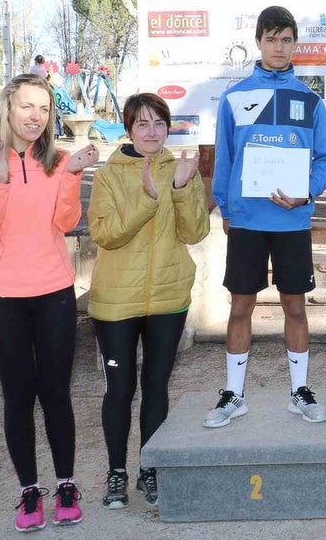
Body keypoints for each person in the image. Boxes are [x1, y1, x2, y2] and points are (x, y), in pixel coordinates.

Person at [0, 74, 99, 532]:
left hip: (54, 293)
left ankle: (66, 484)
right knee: (18, 396)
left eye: (43, 108)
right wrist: (1, 180)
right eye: (27, 106)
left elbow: (65, 221)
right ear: (8, 108)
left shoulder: (59, 160)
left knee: (56, 393)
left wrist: (73, 173)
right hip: (2, 299)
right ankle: (28, 492)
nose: (36, 116)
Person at [206, 6, 326, 428]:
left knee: (295, 308)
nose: (279, 47)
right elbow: (225, 157)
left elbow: (325, 160)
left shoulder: (310, 100)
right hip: (247, 221)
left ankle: (299, 390)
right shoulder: (235, 97)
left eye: (286, 39)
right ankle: (234, 394)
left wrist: (306, 193)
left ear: (295, 43)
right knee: (240, 306)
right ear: (258, 42)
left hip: (292, 223)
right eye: (271, 38)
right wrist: (226, 208)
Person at [88, 93, 209, 508]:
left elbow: (195, 232)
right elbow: (106, 234)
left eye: (159, 123)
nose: (152, 132)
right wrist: (147, 199)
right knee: (119, 389)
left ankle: (150, 469)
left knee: (156, 387)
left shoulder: (183, 169)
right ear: (128, 130)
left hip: (168, 298)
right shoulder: (108, 175)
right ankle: (116, 473)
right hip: (115, 303)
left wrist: (179, 187)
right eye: (142, 124)